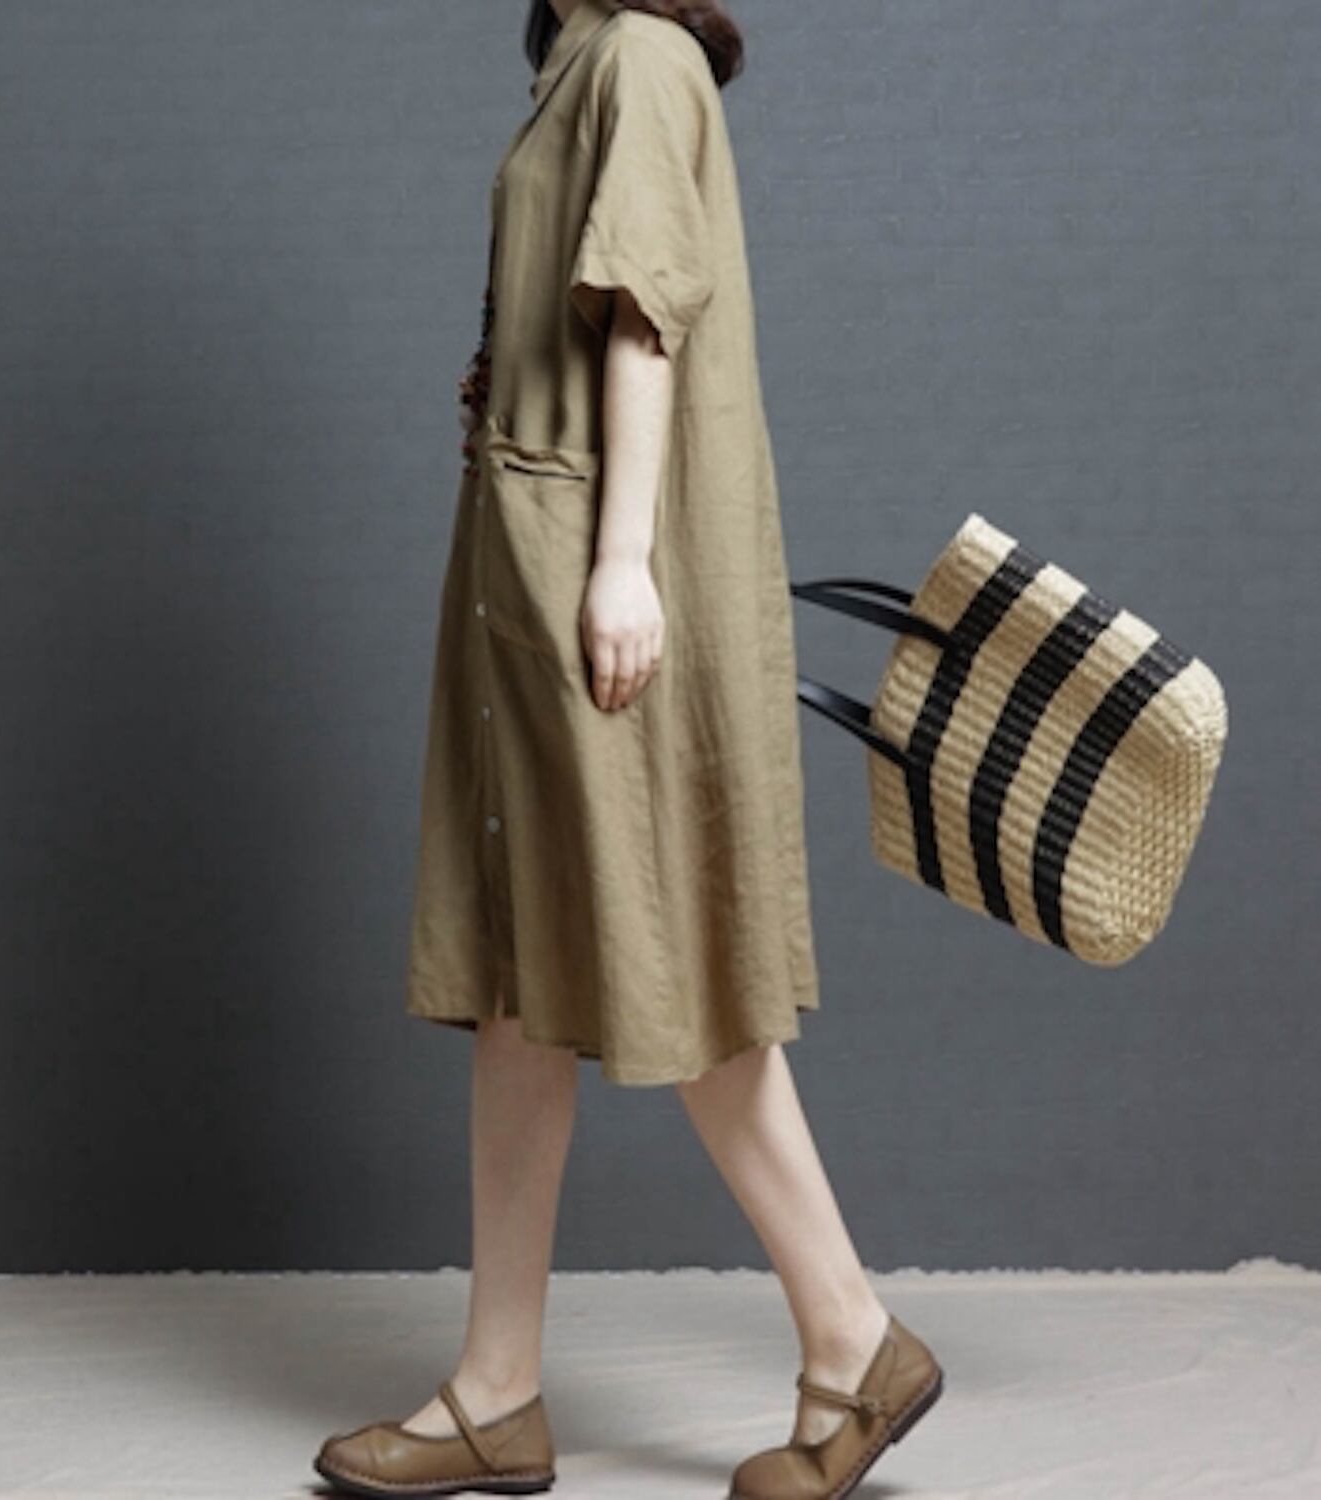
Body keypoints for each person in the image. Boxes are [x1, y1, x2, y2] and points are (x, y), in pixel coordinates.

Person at [315, 3, 944, 1496]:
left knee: (664, 951)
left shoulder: (642, 61)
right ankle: (497, 1390)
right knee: (522, 973)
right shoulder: (585, 58)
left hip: (598, 580)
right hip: (534, 564)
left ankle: (854, 1338)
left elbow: (647, 316)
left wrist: (619, 564)